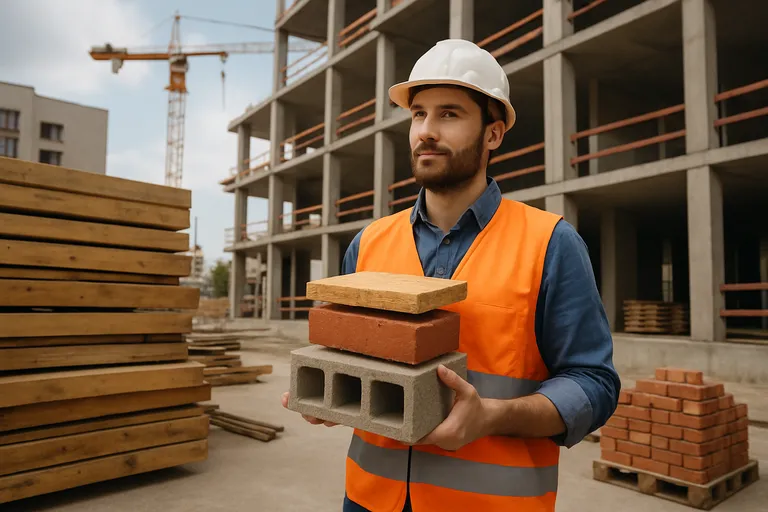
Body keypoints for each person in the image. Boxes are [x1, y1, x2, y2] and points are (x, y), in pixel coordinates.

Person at [281, 38, 620, 512]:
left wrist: (490, 416)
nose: (426, 131)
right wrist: (333, 392)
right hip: (369, 500)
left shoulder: (550, 244)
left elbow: (594, 383)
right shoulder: (369, 244)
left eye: (450, 114)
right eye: (418, 114)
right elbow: (354, 360)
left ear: (494, 134)